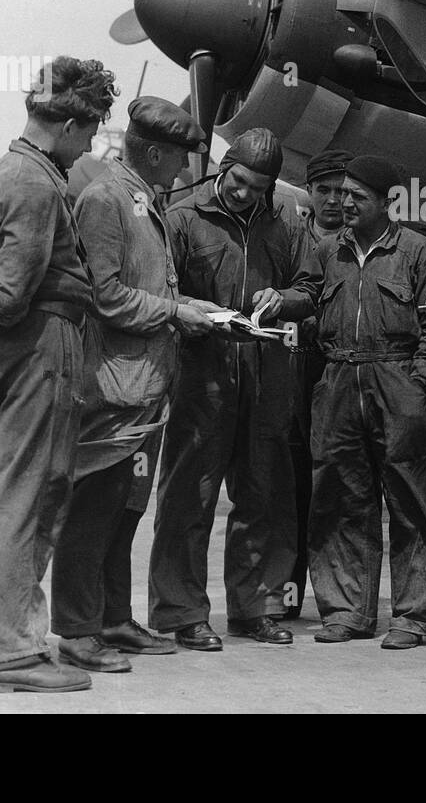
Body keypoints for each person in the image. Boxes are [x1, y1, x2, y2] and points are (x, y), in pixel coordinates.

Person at [0, 56, 117, 694]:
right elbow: (13, 293)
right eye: (91, 129)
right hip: (39, 345)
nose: (91, 143)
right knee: (32, 497)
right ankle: (13, 654)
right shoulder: (42, 183)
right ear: (70, 123)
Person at [49, 97, 220, 672]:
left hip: (145, 389)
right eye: (177, 158)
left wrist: (186, 305)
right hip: (114, 388)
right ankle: (75, 629)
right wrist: (175, 314)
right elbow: (104, 295)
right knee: (93, 507)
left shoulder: (142, 200)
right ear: (150, 151)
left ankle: (114, 618)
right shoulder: (105, 200)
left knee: (124, 509)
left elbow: (144, 286)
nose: (183, 171)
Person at [263, 155, 426, 649]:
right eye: (342, 193)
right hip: (338, 379)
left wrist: (420, 381)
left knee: (412, 499)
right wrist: (278, 300)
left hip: (397, 379)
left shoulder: (420, 252)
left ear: (388, 203)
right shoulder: (328, 252)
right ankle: (347, 611)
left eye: (357, 196)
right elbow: (306, 296)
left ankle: (415, 617)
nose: (344, 203)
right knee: (339, 499)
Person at [148, 127, 309, 649]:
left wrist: (282, 299)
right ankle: (182, 612)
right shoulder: (182, 220)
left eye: (257, 188)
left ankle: (255, 608)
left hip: (266, 377)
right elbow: (158, 293)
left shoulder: (288, 223)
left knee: (262, 495)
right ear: (223, 167)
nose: (243, 194)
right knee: (187, 498)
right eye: (237, 181)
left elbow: (313, 288)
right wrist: (199, 314)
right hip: (202, 376)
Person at [282, 148, 354, 620]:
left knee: (338, 486)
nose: (332, 200)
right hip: (291, 371)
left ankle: (339, 600)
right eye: (323, 189)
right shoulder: (289, 238)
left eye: (341, 191)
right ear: (308, 191)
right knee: (286, 487)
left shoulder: (358, 245)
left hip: (340, 371)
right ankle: (284, 596)